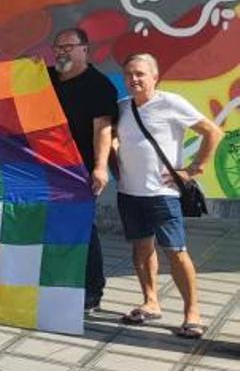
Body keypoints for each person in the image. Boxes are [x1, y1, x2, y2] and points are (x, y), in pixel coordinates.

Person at [114, 53, 222, 339]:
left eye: (140, 74)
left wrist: (194, 168)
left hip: (162, 194)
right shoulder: (122, 108)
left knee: (176, 251)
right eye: (129, 74)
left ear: (154, 77)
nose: (134, 79)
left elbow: (212, 132)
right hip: (129, 193)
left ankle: (192, 313)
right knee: (141, 249)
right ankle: (150, 302)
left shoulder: (170, 103)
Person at [47, 28, 116, 314]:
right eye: (58, 47)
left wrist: (100, 167)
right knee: (50, 227)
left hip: (80, 170)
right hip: (45, 167)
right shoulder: (44, 78)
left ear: (84, 49)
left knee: (83, 228)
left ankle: (92, 290)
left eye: (68, 47)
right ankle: (57, 282)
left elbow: (103, 128)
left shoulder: (99, 85)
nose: (62, 52)